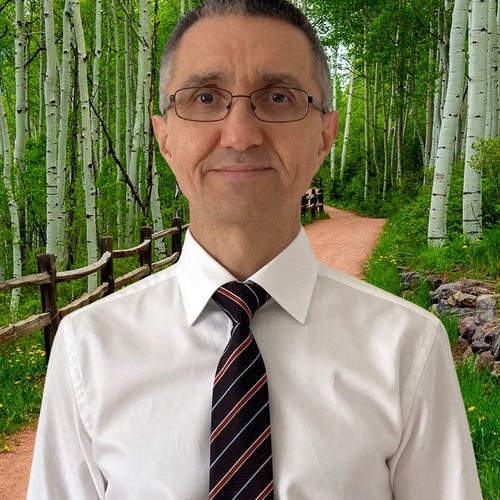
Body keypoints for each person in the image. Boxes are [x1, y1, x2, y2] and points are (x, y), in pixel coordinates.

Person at [28, 0, 482, 498]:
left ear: (324, 135)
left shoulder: (407, 350)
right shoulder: (88, 350)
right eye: (205, 97)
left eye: (278, 98)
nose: (241, 136)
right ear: (165, 138)